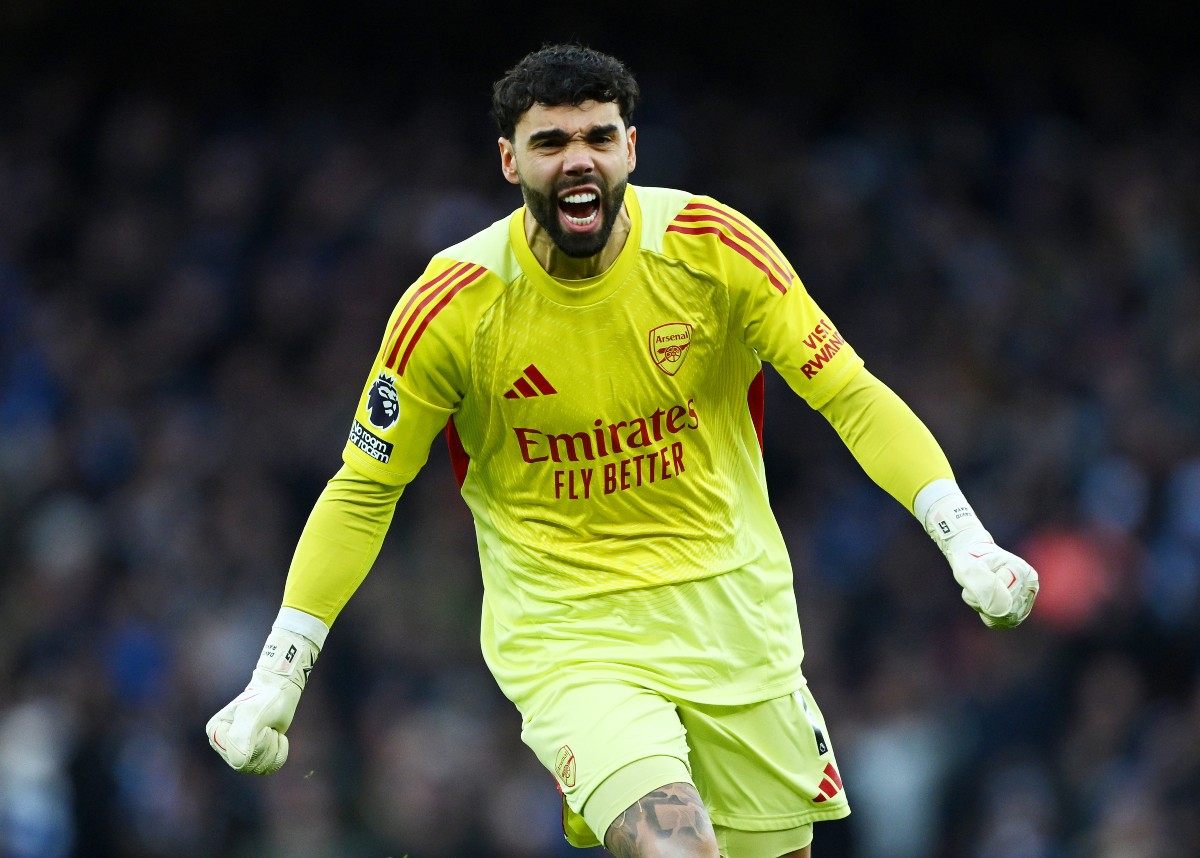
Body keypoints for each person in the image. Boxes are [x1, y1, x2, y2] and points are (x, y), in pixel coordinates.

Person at [207, 43, 1040, 858]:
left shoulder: (712, 250)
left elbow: (850, 395)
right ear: (509, 160)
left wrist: (964, 536)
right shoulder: (454, 305)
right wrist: (281, 672)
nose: (579, 160)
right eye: (551, 142)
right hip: (571, 637)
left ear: (631, 147)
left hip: (736, 624)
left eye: (599, 137)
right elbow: (364, 489)